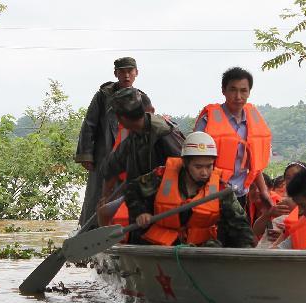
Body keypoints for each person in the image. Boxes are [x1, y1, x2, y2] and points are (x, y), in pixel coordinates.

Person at [124, 132, 255, 248]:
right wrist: (141, 213)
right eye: (198, 167)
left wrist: (247, 254)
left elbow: (241, 226)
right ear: (185, 163)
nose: (204, 173)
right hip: (162, 248)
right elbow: (132, 190)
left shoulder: (221, 189)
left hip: (200, 251)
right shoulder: (161, 176)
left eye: (209, 166)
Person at [74, 57, 150, 227]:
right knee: (97, 194)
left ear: (136, 73)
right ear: (116, 74)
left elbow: (148, 126)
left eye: (130, 71)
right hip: (105, 155)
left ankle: (123, 231)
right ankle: (88, 231)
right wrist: (86, 155)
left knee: (129, 194)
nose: (126, 75)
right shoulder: (103, 96)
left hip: (131, 156)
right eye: (122, 71)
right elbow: (89, 124)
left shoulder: (142, 98)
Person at [194, 67, 273, 215]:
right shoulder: (208, 121)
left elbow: (254, 165)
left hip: (240, 195)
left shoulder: (253, 121)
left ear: (249, 92)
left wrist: (264, 192)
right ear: (223, 90)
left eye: (243, 90)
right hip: (210, 195)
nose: (238, 96)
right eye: (233, 90)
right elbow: (193, 161)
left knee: (240, 237)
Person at [98, 87, 185, 208]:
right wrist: (105, 198)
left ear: (122, 118)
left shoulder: (164, 133)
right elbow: (112, 165)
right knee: (105, 211)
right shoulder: (135, 133)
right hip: (141, 197)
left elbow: (186, 167)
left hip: (167, 199)